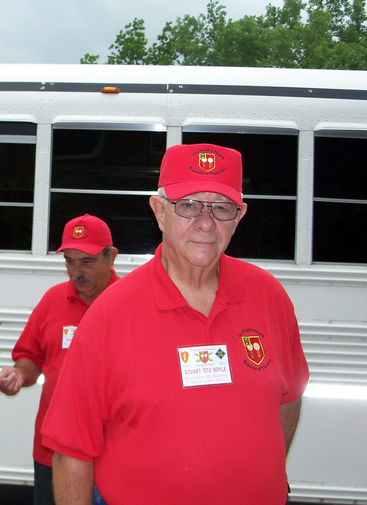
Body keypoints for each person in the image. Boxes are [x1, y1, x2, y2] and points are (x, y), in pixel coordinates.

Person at [41, 144, 310, 505]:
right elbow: (71, 449)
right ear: (160, 211)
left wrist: (266, 470)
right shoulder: (109, 315)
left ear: (239, 216)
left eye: (221, 207)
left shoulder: (269, 297)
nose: (205, 222)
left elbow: (289, 396)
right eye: (188, 205)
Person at [0, 214, 119, 505]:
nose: (76, 272)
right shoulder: (52, 300)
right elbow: (30, 358)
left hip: (113, 451)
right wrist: (18, 375)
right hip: (55, 451)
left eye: (86, 262)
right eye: (69, 262)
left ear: (110, 257)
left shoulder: (130, 304)